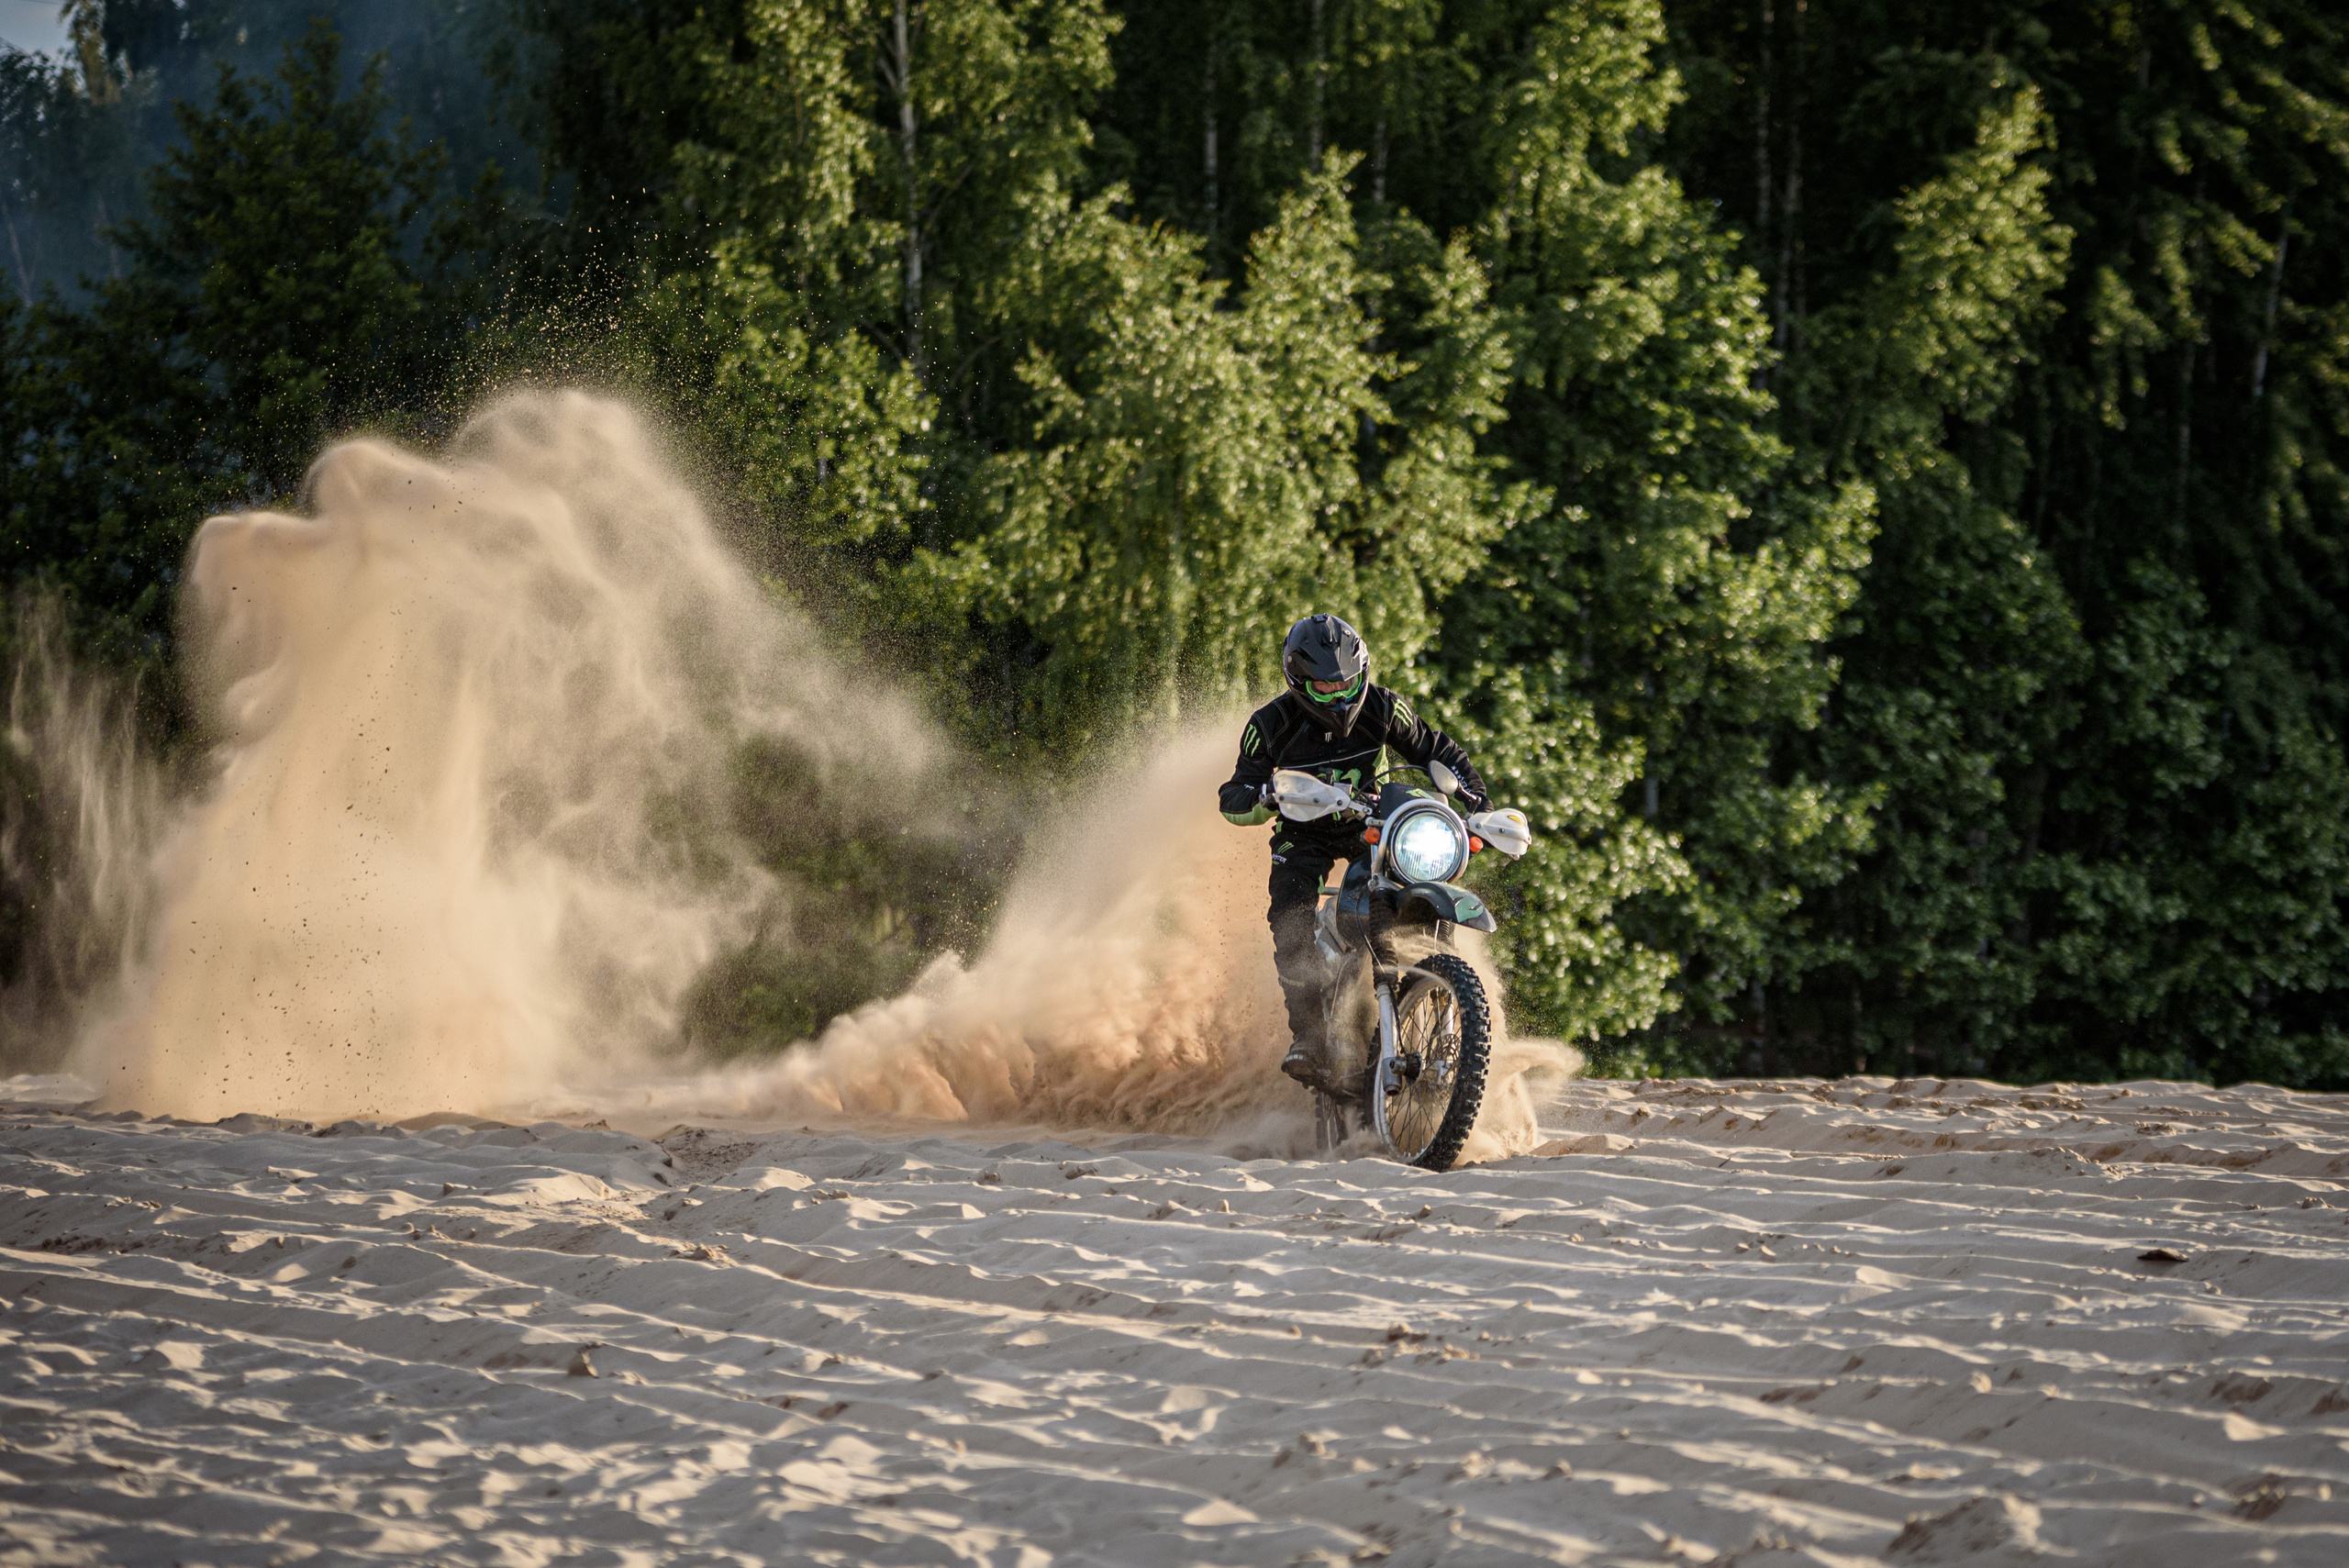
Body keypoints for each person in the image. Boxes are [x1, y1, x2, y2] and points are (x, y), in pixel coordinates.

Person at [1218, 613, 1488, 1088]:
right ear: (1298, 681)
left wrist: (1478, 804)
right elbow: (1232, 797)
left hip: (1376, 821)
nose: (1341, 696)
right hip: (1305, 832)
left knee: (1416, 881)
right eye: (1325, 687)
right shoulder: (1270, 723)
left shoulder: (1384, 707)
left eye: (1349, 683)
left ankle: (1439, 1000)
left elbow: (1437, 750)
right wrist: (1266, 795)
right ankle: (1309, 1035)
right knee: (1290, 909)